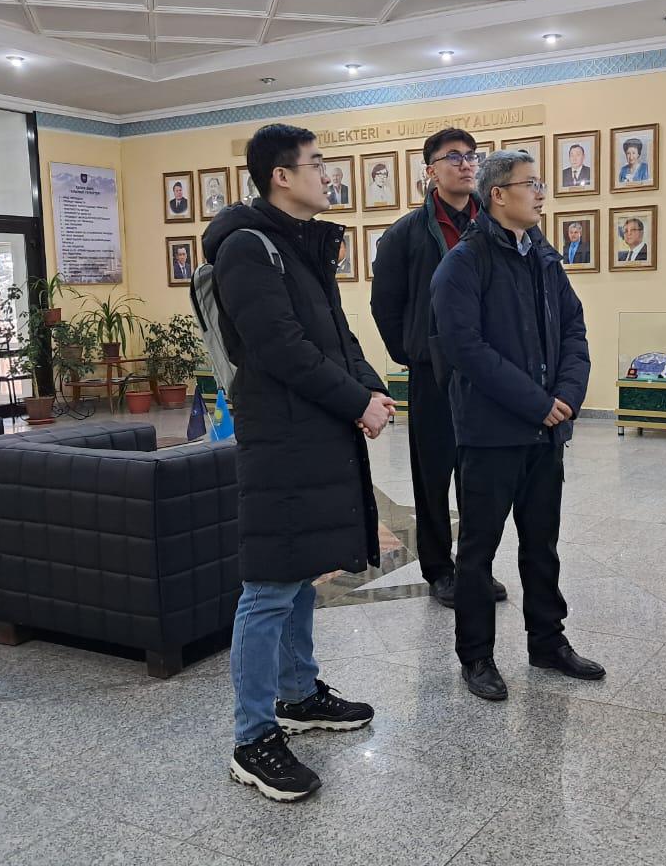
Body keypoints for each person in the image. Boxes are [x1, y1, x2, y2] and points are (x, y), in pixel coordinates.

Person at [202, 122, 395, 802]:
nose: (327, 174)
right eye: (317, 164)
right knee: (269, 587)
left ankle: (297, 694)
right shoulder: (247, 249)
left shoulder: (299, 244)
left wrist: (369, 387)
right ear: (281, 176)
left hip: (314, 429)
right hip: (280, 437)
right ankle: (252, 737)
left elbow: (335, 335)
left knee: (303, 570)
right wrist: (355, 402)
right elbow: (280, 348)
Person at [429, 150, 602, 701]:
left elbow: (574, 330)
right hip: (490, 435)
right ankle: (476, 657)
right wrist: (536, 403)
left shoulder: (544, 256)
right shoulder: (464, 262)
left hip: (545, 433)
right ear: (498, 194)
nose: (541, 193)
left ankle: (547, 642)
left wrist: (567, 396)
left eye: (541, 183)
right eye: (531, 184)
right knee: (478, 552)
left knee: (542, 545)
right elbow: (466, 349)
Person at [371, 128, 508, 608]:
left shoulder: (494, 224)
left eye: (472, 156)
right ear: (430, 170)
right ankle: (439, 570)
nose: (466, 164)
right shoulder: (406, 233)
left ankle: (476, 567)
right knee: (432, 476)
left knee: (482, 475)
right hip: (433, 371)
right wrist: (414, 352)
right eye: (454, 157)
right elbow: (385, 305)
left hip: (487, 371)